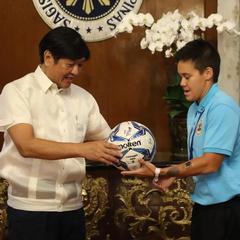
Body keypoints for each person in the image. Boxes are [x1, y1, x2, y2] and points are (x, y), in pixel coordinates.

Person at [0, 26, 121, 240]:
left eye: (80, 65)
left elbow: (110, 141)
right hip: (29, 211)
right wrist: (83, 149)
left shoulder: (84, 98)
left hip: (72, 209)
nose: (76, 71)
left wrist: (140, 157)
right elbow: (26, 145)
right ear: (48, 57)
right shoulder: (17, 91)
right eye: (70, 64)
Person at [122, 39, 240, 240]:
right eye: (180, 77)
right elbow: (199, 157)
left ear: (208, 73)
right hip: (204, 206)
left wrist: (164, 171)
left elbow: (211, 163)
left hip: (228, 210)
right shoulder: (195, 108)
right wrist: (174, 175)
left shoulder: (222, 107)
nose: (182, 83)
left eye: (187, 76)